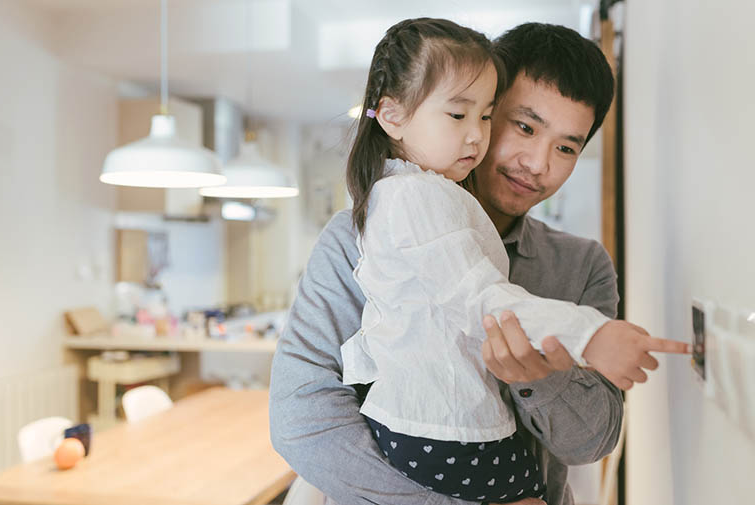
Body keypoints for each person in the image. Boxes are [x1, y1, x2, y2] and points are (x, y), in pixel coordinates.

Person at [270, 21, 688, 505]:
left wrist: (540, 377)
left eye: (567, 147)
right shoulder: (356, 238)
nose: (538, 163)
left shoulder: (580, 264)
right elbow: (302, 419)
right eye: (524, 127)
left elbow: (591, 442)